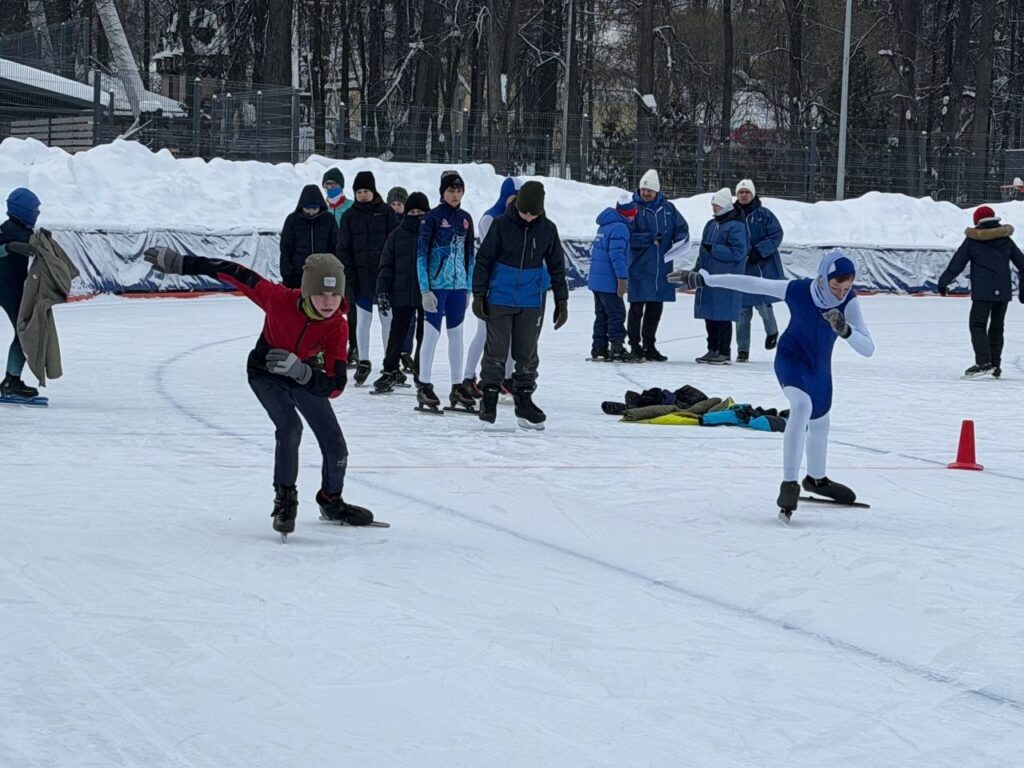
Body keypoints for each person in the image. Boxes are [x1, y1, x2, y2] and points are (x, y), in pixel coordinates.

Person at [142, 247, 374, 536]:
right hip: (266, 373)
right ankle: (285, 500)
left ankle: (331, 501)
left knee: (335, 444)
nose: (328, 302)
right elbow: (233, 272)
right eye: (320, 294)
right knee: (290, 428)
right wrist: (183, 264)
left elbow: (336, 384)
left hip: (302, 376)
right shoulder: (277, 299)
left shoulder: (337, 327)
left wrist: (303, 372)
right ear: (305, 292)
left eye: (334, 295)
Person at [669, 251, 875, 519]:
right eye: (836, 287)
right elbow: (752, 283)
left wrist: (845, 330)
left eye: (846, 288)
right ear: (823, 278)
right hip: (791, 359)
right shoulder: (799, 290)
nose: (840, 293)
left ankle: (817, 479)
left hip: (820, 369)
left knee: (821, 422)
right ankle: (789, 483)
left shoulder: (849, 301)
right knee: (801, 406)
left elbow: (868, 348)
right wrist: (704, 279)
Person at [472, 180, 568, 430]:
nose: (527, 217)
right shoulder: (501, 225)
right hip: (500, 297)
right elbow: (483, 260)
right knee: (496, 350)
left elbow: (557, 265)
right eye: (524, 212)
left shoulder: (547, 229)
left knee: (527, 353)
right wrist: (479, 294)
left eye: (533, 214)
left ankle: (524, 401)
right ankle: (489, 399)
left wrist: (562, 299)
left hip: (530, 299)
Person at [938, 205, 1024, 378]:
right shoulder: (1005, 239)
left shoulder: (972, 240)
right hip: (1004, 291)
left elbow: (957, 263)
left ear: (977, 221)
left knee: (977, 325)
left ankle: (984, 362)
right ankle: (995, 365)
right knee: (997, 328)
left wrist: (943, 282)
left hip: (983, 292)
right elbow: (1022, 264)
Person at [415, 170, 476, 412]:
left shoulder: (466, 219)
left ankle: (457, 385)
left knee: (457, 336)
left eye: (459, 190)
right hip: (436, 287)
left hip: (458, 288)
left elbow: (470, 255)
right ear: (442, 192)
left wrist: (469, 287)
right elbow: (421, 254)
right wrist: (424, 288)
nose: (455, 194)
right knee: (430, 335)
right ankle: (424, 384)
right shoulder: (431, 218)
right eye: (451, 190)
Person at [336, 170, 399, 385]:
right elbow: (343, 248)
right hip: (360, 278)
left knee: (387, 321)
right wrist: (348, 275)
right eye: (359, 191)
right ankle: (363, 360)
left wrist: (392, 272)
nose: (362, 195)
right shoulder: (349, 216)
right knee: (362, 321)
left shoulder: (386, 213)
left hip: (383, 279)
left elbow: (395, 245)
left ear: (373, 191)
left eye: (366, 191)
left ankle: (391, 363)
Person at [463, 176, 520, 394]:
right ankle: (468, 376)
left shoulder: (516, 218)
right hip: (490, 284)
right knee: (485, 331)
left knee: (512, 334)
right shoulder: (490, 218)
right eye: (513, 198)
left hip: (508, 285)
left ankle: (507, 376)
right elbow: (492, 253)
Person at [628, 169, 689, 360]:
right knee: (636, 308)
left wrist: (680, 240)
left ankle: (649, 345)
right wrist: (649, 239)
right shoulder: (633, 208)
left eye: (649, 190)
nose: (645, 193)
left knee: (655, 309)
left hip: (662, 268)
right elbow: (628, 236)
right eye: (643, 189)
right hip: (639, 266)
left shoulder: (669, 209)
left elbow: (682, 229)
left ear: (657, 191)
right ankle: (634, 345)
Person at [373, 191, 429, 392]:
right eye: (412, 211)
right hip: (401, 293)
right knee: (397, 333)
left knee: (425, 335)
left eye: (420, 211)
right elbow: (386, 265)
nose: (416, 215)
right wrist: (383, 291)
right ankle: (390, 370)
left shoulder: (432, 233)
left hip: (426, 294)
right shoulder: (397, 234)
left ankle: (423, 370)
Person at [693, 188, 747, 364]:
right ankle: (712, 349)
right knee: (710, 315)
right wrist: (697, 269)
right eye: (713, 205)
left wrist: (715, 249)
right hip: (709, 276)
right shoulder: (711, 224)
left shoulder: (736, 226)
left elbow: (739, 252)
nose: (715, 208)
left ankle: (724, 351)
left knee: (723, 316)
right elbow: (703, 249)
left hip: (725, 278)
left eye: (717, 205)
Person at [734, 179, 784, 362]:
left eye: (747, 192)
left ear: (753, 194)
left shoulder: (764, 214)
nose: (744, 195)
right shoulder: (732, 215)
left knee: (763, 305)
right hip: (742, 267)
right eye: (741, 192)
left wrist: (761, 250)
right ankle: (742, 350)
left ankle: (772, 331)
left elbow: (776, 234)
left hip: (761, 267)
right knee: (742, 311)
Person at [0, 188, 42, 399]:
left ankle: (11, 379)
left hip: (11, 288)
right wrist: (9, 247)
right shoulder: (9, 231)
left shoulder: (17, 230)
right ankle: (11, 381)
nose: (38, 213)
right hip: (8, 289)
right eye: (36, 209)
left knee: (24, 331)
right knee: (25, 332)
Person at [588, 192, 636, 362]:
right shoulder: (620, 228)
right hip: (609, 281)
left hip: (597, 280)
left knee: (601, 314)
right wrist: (622, 278)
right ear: (629, 214)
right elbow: (617, 256)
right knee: (616, 313)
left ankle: (598, 348)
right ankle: (616, 347)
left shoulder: (605, 225)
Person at [279, 185, 336, 289]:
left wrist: (333, 268)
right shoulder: (292, 220)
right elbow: (286, 248)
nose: (311, 212)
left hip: (323, 272)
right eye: (307, 208)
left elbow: (334, 245)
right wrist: (287, 273)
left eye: (314, 208)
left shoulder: (328, 219)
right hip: (298, 273)